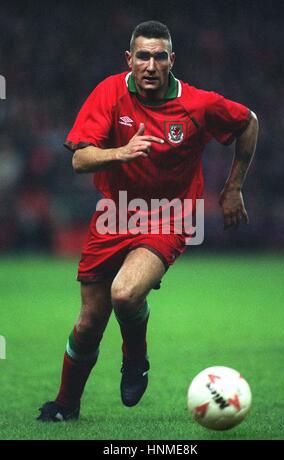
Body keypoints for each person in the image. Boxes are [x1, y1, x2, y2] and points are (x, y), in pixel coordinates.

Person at [37, 20, 258, 421]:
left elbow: (248, 122)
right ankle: (65, 406)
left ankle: (135, 360)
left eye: (160, 56)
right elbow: (78, 158)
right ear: (129, 59)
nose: (151, 65)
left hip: (171, 215)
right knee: (88, 323)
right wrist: (119, 153)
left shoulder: (198, 105)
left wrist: (233, 187)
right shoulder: (109, 92)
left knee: (125, 293)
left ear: (172, 60)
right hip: (114, 213)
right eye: (143, 56)